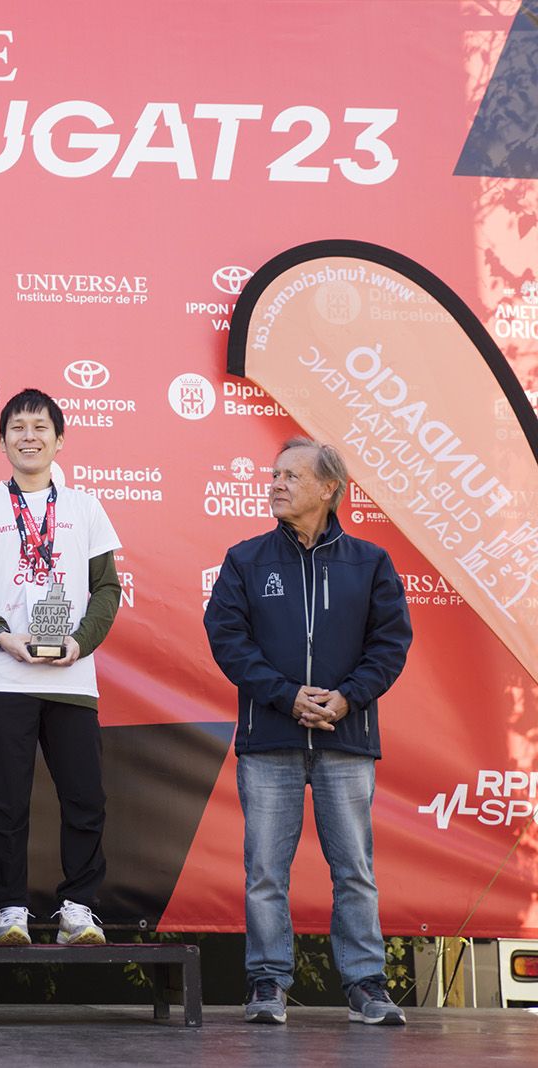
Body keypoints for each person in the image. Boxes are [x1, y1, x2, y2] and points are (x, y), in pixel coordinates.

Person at [204, 437, 412, 1027]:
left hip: (346, 742)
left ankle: (366, 985)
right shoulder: (246, 559)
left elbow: (390, 644)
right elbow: (227, 638)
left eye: (290, 476)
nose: (275, 484)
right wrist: (287, 696)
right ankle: (267, 983)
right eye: (274, 474)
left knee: (355, 871)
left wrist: (347, 699)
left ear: (328, 487)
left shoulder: (370, 562)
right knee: (266, 871)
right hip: (270, 740)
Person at [0, 389, 121, 947]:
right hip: (5, 677)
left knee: (85, 797)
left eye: (40, 427)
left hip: (72, 678)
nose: (29, 436)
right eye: (17, 427)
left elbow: (107, 589)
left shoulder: (86, 507)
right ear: (2, 442)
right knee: (5, 800)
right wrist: (2, 635)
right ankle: (8, 909)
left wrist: (80, 643)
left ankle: (79, 909)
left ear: (59, 438)